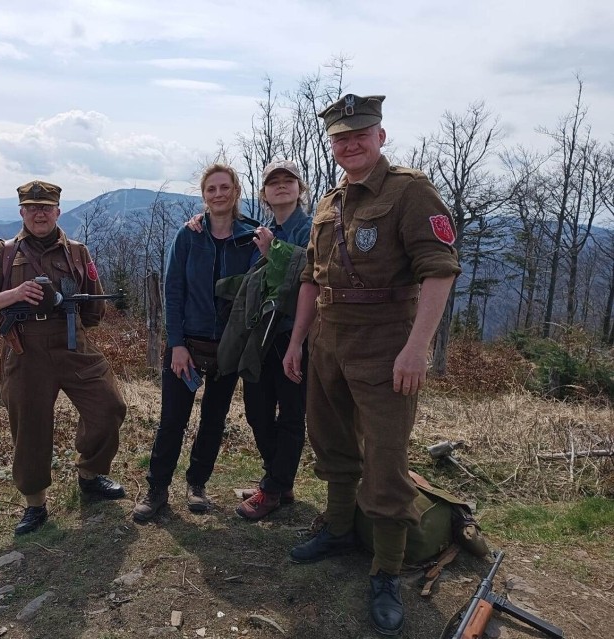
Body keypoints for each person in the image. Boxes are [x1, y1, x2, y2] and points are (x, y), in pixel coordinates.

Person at [281, 95, 461, 636]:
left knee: (384, 455)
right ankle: (338, 529)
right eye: (340, 137)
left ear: (381, 135)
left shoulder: (410, 191)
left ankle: (385, 570)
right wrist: (297, 342)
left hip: (387, 343)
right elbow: (312, 278)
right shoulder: (329, 202)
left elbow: (440, 270)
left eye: (361, 133)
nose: (350, 143)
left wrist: (417, 347)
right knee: (331, 440)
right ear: (331, 144)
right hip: (329, 343)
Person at [0, 180, 127, 536]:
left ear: (58, 211)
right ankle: (35, 504)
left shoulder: (78, 252)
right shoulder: (4, 252)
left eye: (46, 207)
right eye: (32, 207)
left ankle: (89, 473)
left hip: (73, 343)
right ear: (22, 212)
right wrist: (15, 294)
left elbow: (94, 305)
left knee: (109, 407)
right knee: (30, 428)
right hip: (25, 348)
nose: (40, 213)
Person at [132, 164, 258, 522]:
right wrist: (176, 344)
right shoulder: (188, 236)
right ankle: (157, 489)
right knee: (172, 419)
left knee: (214, 419)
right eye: (211, 189)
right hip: (187, 344)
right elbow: (173, 290)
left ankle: (197, 484)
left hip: (228, 346)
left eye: (224, 187)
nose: (218, 194)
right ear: (203, 195)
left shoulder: (249, 237)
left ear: (235, 191)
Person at [213, 160, 313, 520]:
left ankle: (272, 490)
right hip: (263, 338)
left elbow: (310, 279)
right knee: (257, 411)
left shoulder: (311, 230)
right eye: (274, 183)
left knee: (290, 414)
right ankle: (278, 479)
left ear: (300, 189)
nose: (282, 187)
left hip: (293, 336)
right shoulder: (266, 229)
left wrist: (275, 253)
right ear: (264, 194)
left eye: (289, 181)